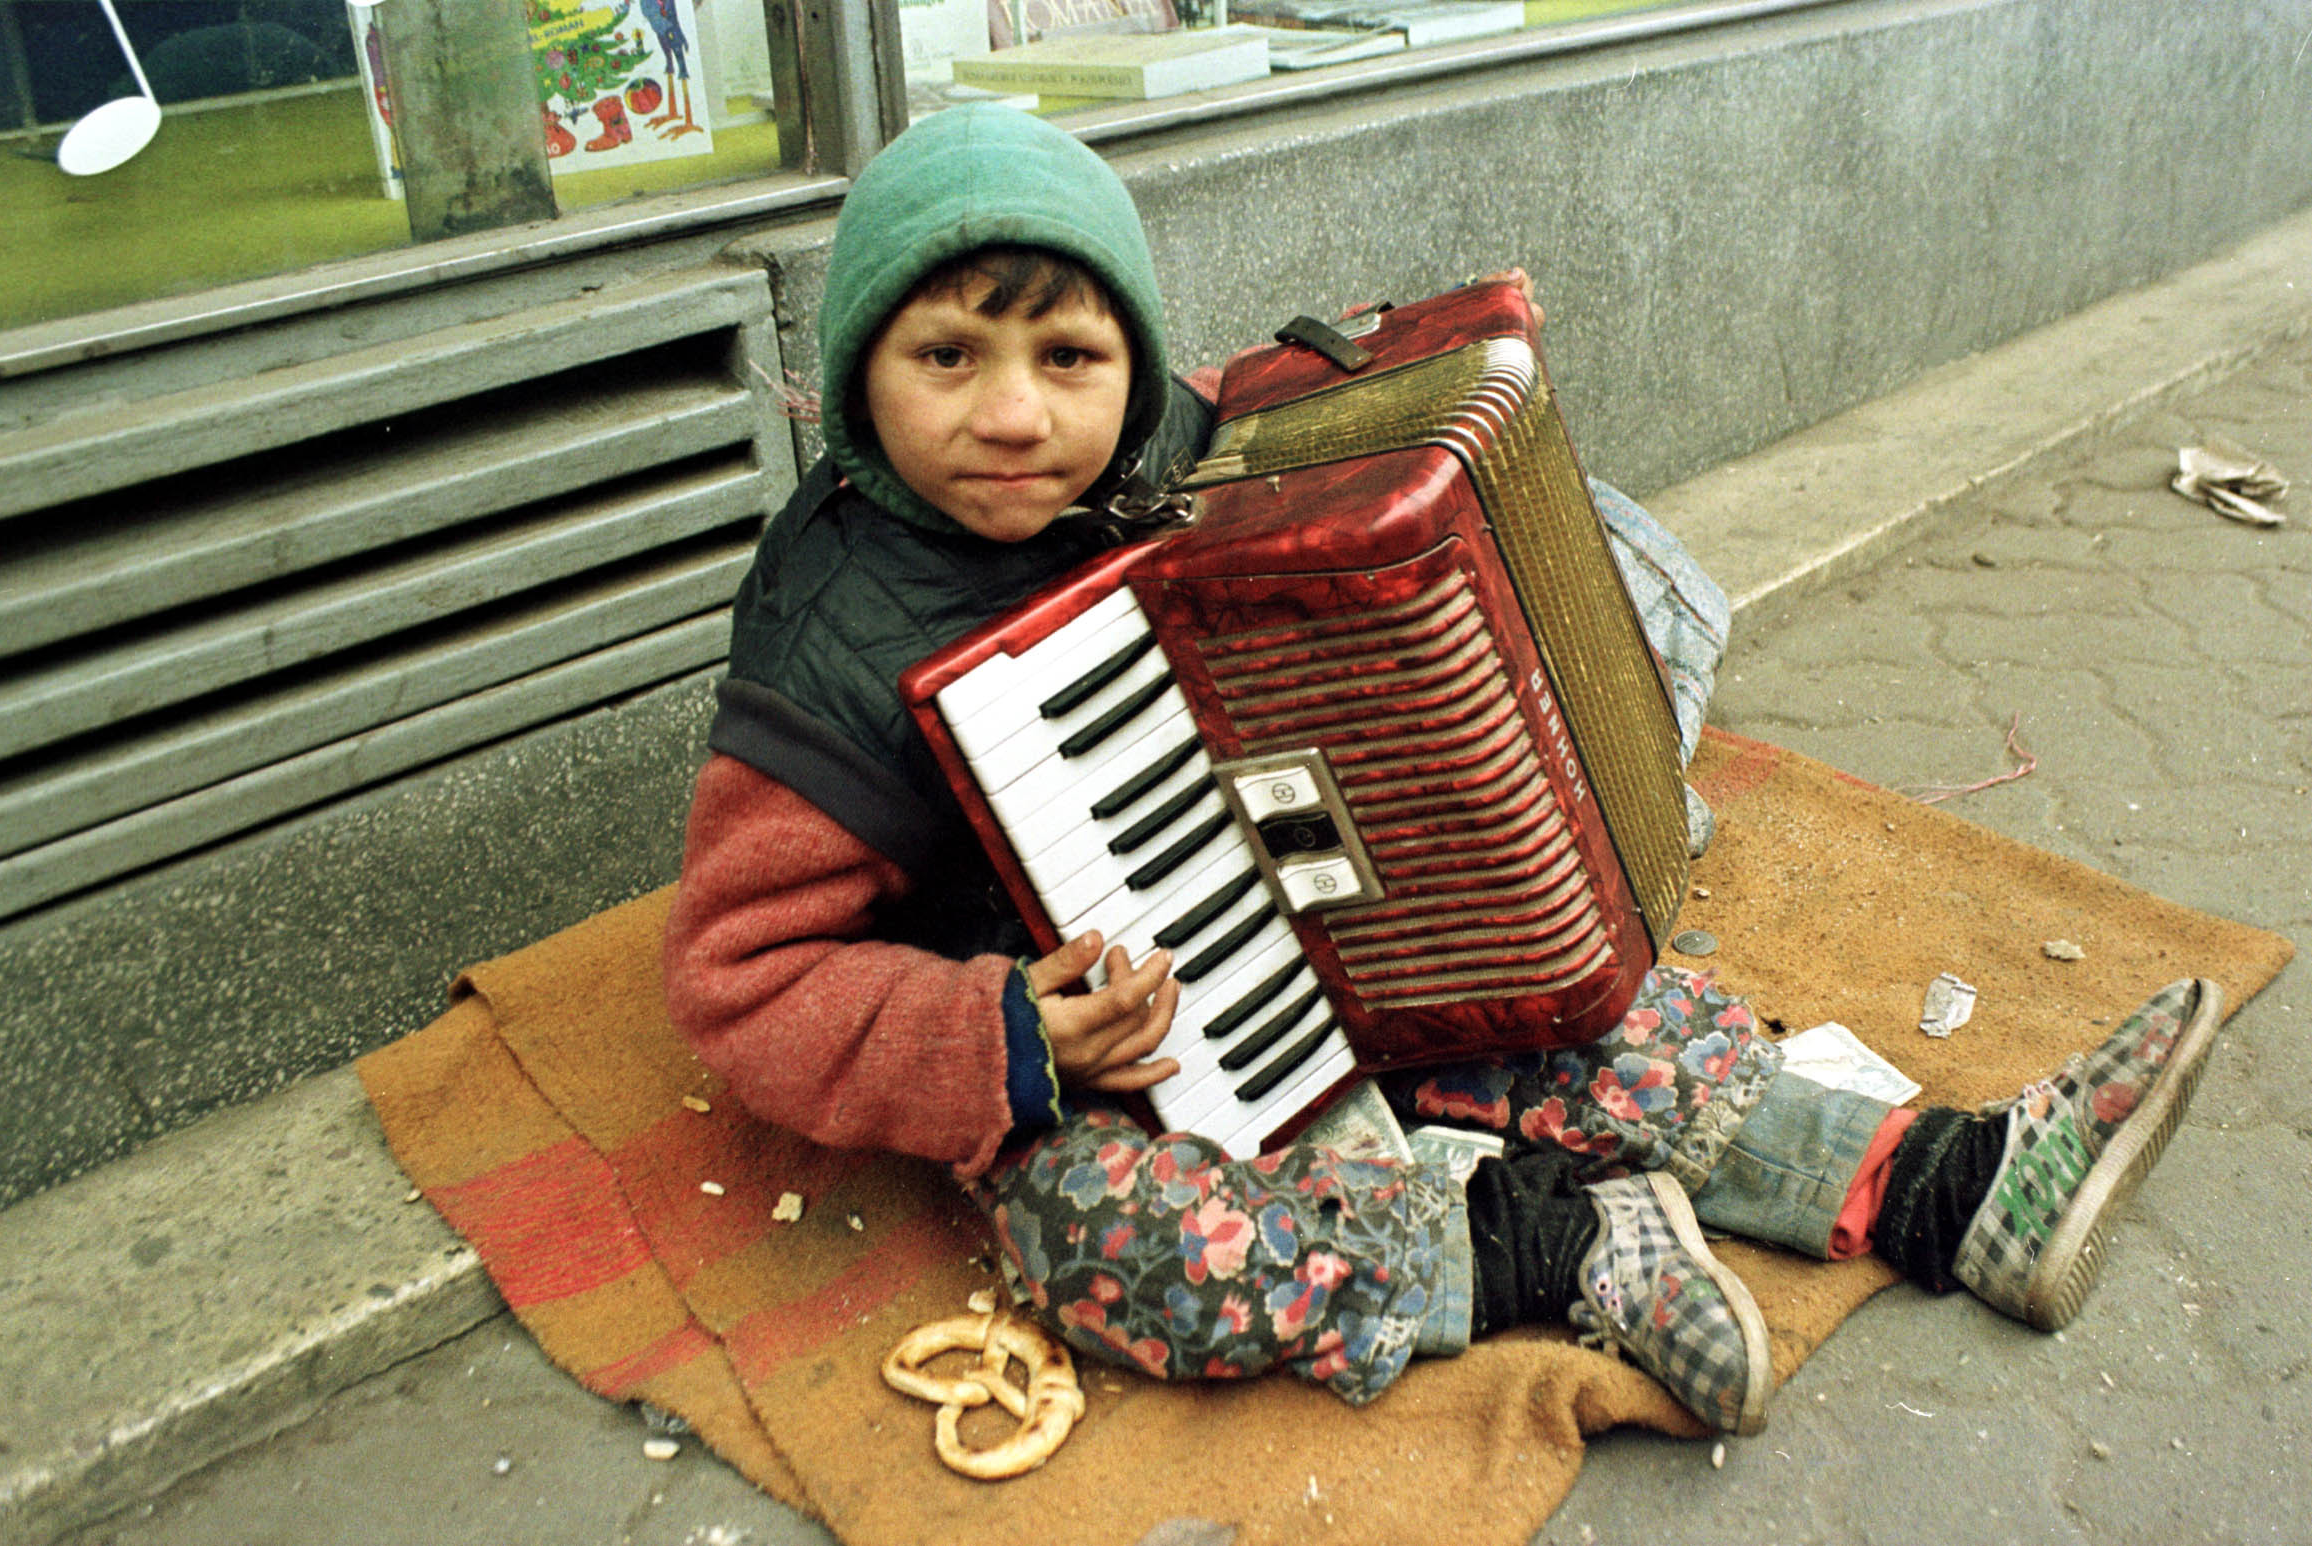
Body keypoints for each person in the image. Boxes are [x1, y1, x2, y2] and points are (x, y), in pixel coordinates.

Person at [662, 104, 2220, 1436]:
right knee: (1105, 1247)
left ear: (1129, 361)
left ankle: (1957, 1188)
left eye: (1068, 354)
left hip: (1310, 907)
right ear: (856, 371)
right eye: (945, 355)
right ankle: (1557, 1251)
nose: (1012, 414)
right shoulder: (829, 641)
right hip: (1093, 1046)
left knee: (1571, 999)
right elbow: (740, 980)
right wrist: (1000, 1030)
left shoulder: (1198, 456)